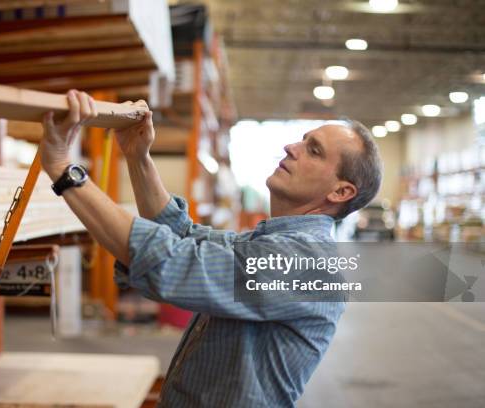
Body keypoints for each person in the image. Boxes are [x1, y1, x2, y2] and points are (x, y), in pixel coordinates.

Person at [40, 90, 383, 407]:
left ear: (341, 192)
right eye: (303, 140)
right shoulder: (270, 243)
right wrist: (137, 156)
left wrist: (63, 170)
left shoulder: (309, 265)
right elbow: (182, 234)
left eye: (314, 150)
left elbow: (173, 262)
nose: (292, 147)